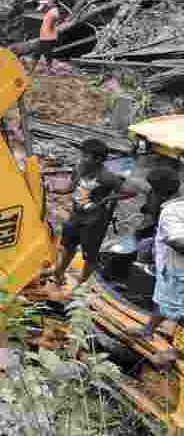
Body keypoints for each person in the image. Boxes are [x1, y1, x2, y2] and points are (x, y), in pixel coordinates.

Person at [49, 139, 137, 290]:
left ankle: (82, 285)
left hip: (94, 221)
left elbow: (130, 192)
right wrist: (53, 189)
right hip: (76, 216)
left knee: (90, 255)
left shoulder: (106, 176)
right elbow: (70, 188)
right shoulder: (79, 169)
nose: (81, 158)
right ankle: (59, 272)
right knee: (68, 246)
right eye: (82, 154)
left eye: (85, 156)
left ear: (97, 159)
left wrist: (108, 198)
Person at [127, 169, 184, 352]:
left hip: (177, 272)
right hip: (170, 270)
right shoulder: (177, 204)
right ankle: (148, 330)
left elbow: (179, 241)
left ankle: (173, 353)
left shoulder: (170, 213)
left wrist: (170, 240)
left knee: (178, 312)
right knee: (161, 299)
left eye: (151, 191)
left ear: (158, 193)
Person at [30, 0, 64, 74]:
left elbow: (56, 18)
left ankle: (49, 70)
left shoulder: (54, 10)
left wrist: (51, 26)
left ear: (54, 4)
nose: (48, 3)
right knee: (37, 53)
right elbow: (40, 11)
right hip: (44, 36)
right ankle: (31, 70)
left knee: (47, 54)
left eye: (50, 2)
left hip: (49, 37)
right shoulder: (49, 11)